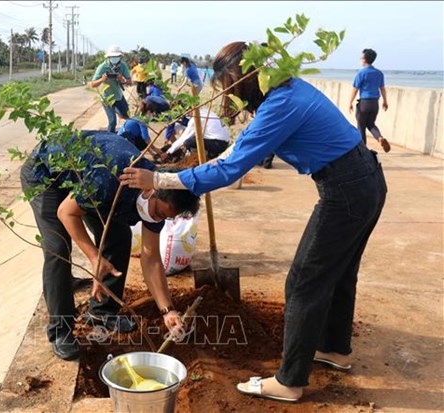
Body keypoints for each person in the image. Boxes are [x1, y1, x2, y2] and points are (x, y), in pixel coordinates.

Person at [121, 41, 387, 402]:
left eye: (230, 85)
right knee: (339, 273)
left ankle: (290, 381)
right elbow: (237, 149)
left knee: (303, 281)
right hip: (365, 179)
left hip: (347, 190)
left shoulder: (282, 104)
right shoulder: (286, 92)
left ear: (244, 78)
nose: (230, 94)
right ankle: (334, 349)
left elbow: (230, 169)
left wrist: (161, 181)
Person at [21, 131, 200, 360]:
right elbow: (66, 212)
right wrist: (94, 257)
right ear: (150, 190)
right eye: (157, 212)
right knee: (58, 247)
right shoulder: (112, 178)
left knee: (119, 236)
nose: (155, 219)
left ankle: (102, 312)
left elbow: (151, 258)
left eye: (162, 217)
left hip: (87, 182)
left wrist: (168, 310)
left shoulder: (159, 200)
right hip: (47, 174)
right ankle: (61, 330)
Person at [349, 48, 391, 153]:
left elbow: (355, 89)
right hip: (374, 104)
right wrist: (385, 101)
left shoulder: (361, 73)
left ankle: (363, 151)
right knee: (371, 124)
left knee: (361, 127)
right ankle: (380, 138)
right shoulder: (379, 73)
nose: (360, 59)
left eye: (361, 58)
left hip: (364, 103)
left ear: (365, 59)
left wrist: (350, 102)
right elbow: (382, 89)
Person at [90, 45, 132, 133]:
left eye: (116, 56)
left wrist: (122, 80)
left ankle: (126, 134)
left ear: (120, 57)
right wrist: (102, 79)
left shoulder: (123, 66)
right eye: (112, 57)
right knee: (112, 121)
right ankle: (110, 140)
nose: (115, 58)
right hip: (107, 99)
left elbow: (129, 82)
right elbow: (93, 84)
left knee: (127, 117)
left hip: (118, 96)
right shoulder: (102, 67)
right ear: (108, 57)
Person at [163, 108, 230, 160]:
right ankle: (211, 154)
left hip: (217, 144)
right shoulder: (206, 111)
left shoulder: (195, 119)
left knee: (188, 142)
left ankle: (201, 158)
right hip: (225, 143)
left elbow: (184, 138)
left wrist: (168, 152)